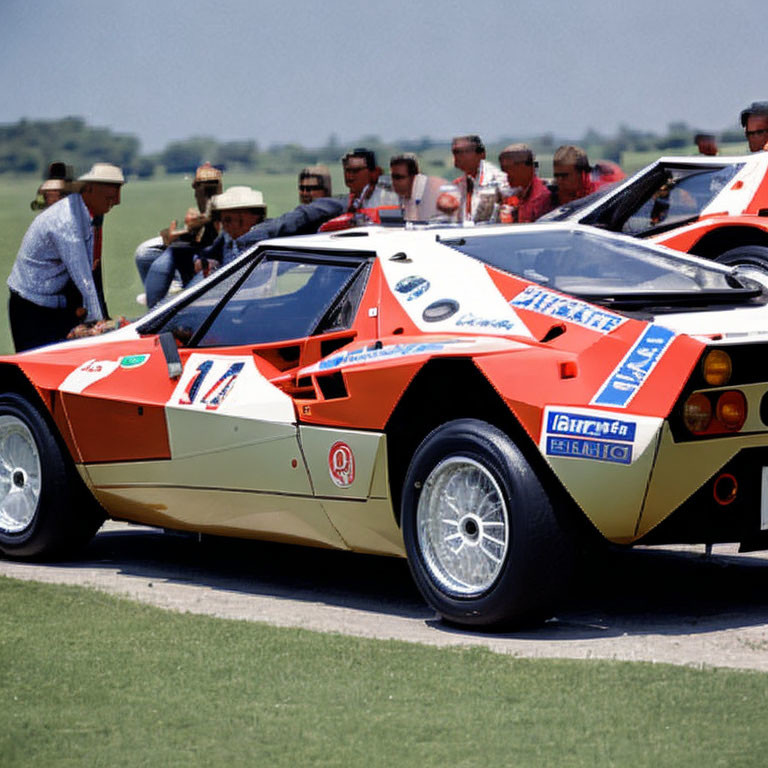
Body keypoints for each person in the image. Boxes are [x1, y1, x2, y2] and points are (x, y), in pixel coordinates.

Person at [144, 188, 345, 308]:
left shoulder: (264, 237)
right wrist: (202, 260)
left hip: (241, 298)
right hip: (219, 292)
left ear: (254, 216)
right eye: (224, 220)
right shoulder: (227, 238)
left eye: (233, 219)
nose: (227, 225)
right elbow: (210, 253)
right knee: (152, 256)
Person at [7, 163, 124, 352]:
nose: (118, 201)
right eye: (111, 195)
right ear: (90, 189)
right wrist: (100, 323)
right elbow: (83, 277)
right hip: (31, 306)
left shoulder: (88, 213)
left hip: (53, 301)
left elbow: (91, 269)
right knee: (33, 367)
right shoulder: (67, 222)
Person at [134, 162, 223, 303]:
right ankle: (171, 289)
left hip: (214, 258)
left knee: (162, 251)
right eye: (202, 186)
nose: (206, 191)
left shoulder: (222, 207)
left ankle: (169, 292)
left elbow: (214, 238)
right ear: (195, 188)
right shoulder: (198, 210)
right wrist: (183, 232)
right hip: (195, 252)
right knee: (146, 251)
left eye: (211, 186)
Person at [449, 134, 508, 222]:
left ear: (481, 154)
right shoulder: (459, 185)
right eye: (455, 152)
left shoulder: (499, 181)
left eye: (463, 151)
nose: (458, 156)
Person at [497, 144, 554, 223]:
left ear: (525, 168)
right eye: (503, 169)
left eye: (508, 169)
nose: (505, 174)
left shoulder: (540, 198)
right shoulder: (516, 193)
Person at [388, 153, 446, 221]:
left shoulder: (431, 195)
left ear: (413, 177)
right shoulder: (402, 197)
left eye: (398, 177)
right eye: (392, 177)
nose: (394, 182)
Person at [342, 148, 398, 212]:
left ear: (373, 173)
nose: (350, 176)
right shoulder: (350, 199)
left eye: (356, 171)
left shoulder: (386, 198)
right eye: (347, 170)